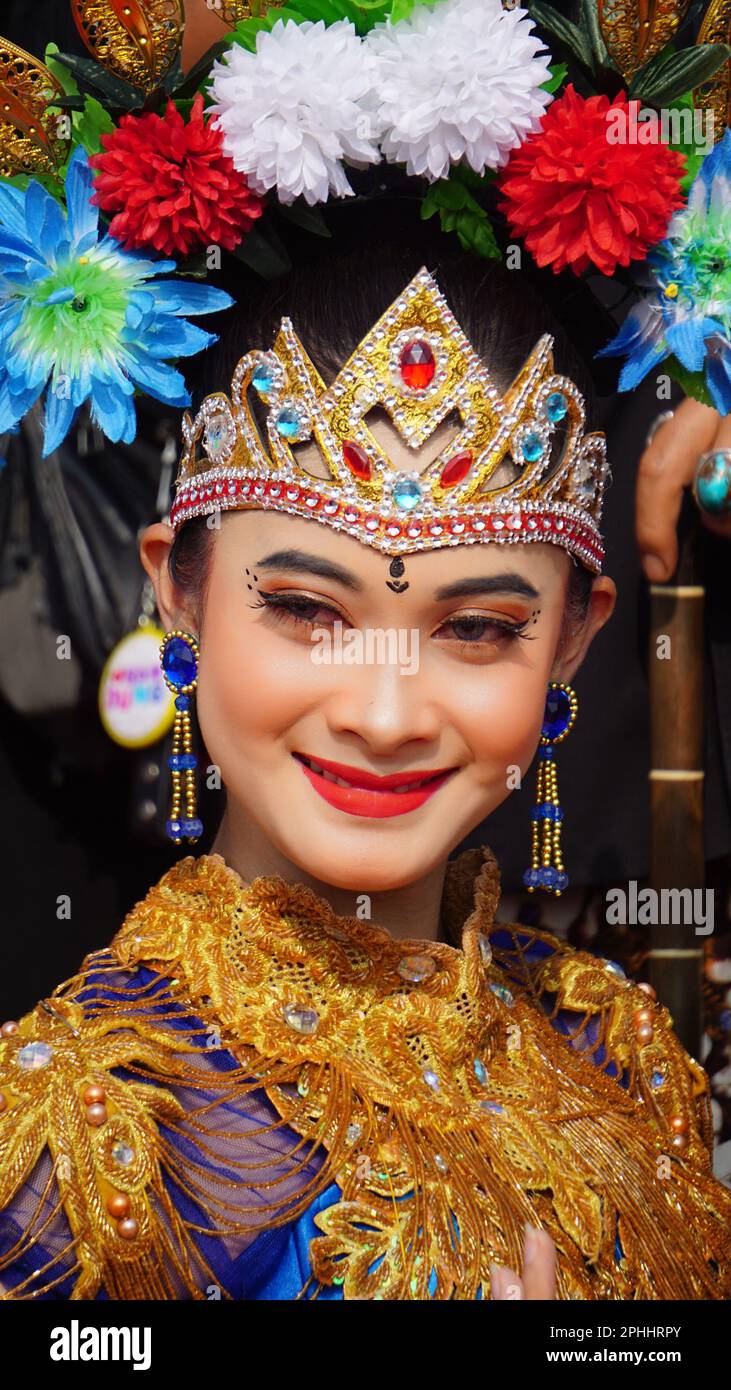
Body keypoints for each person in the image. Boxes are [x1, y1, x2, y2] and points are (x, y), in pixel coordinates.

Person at [1, 200, 730, 1302]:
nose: (383, 716)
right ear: (180, 592)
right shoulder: (75, 1139)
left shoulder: (616, 1050)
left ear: (572, 637)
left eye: (477, 629)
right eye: (302, 608)